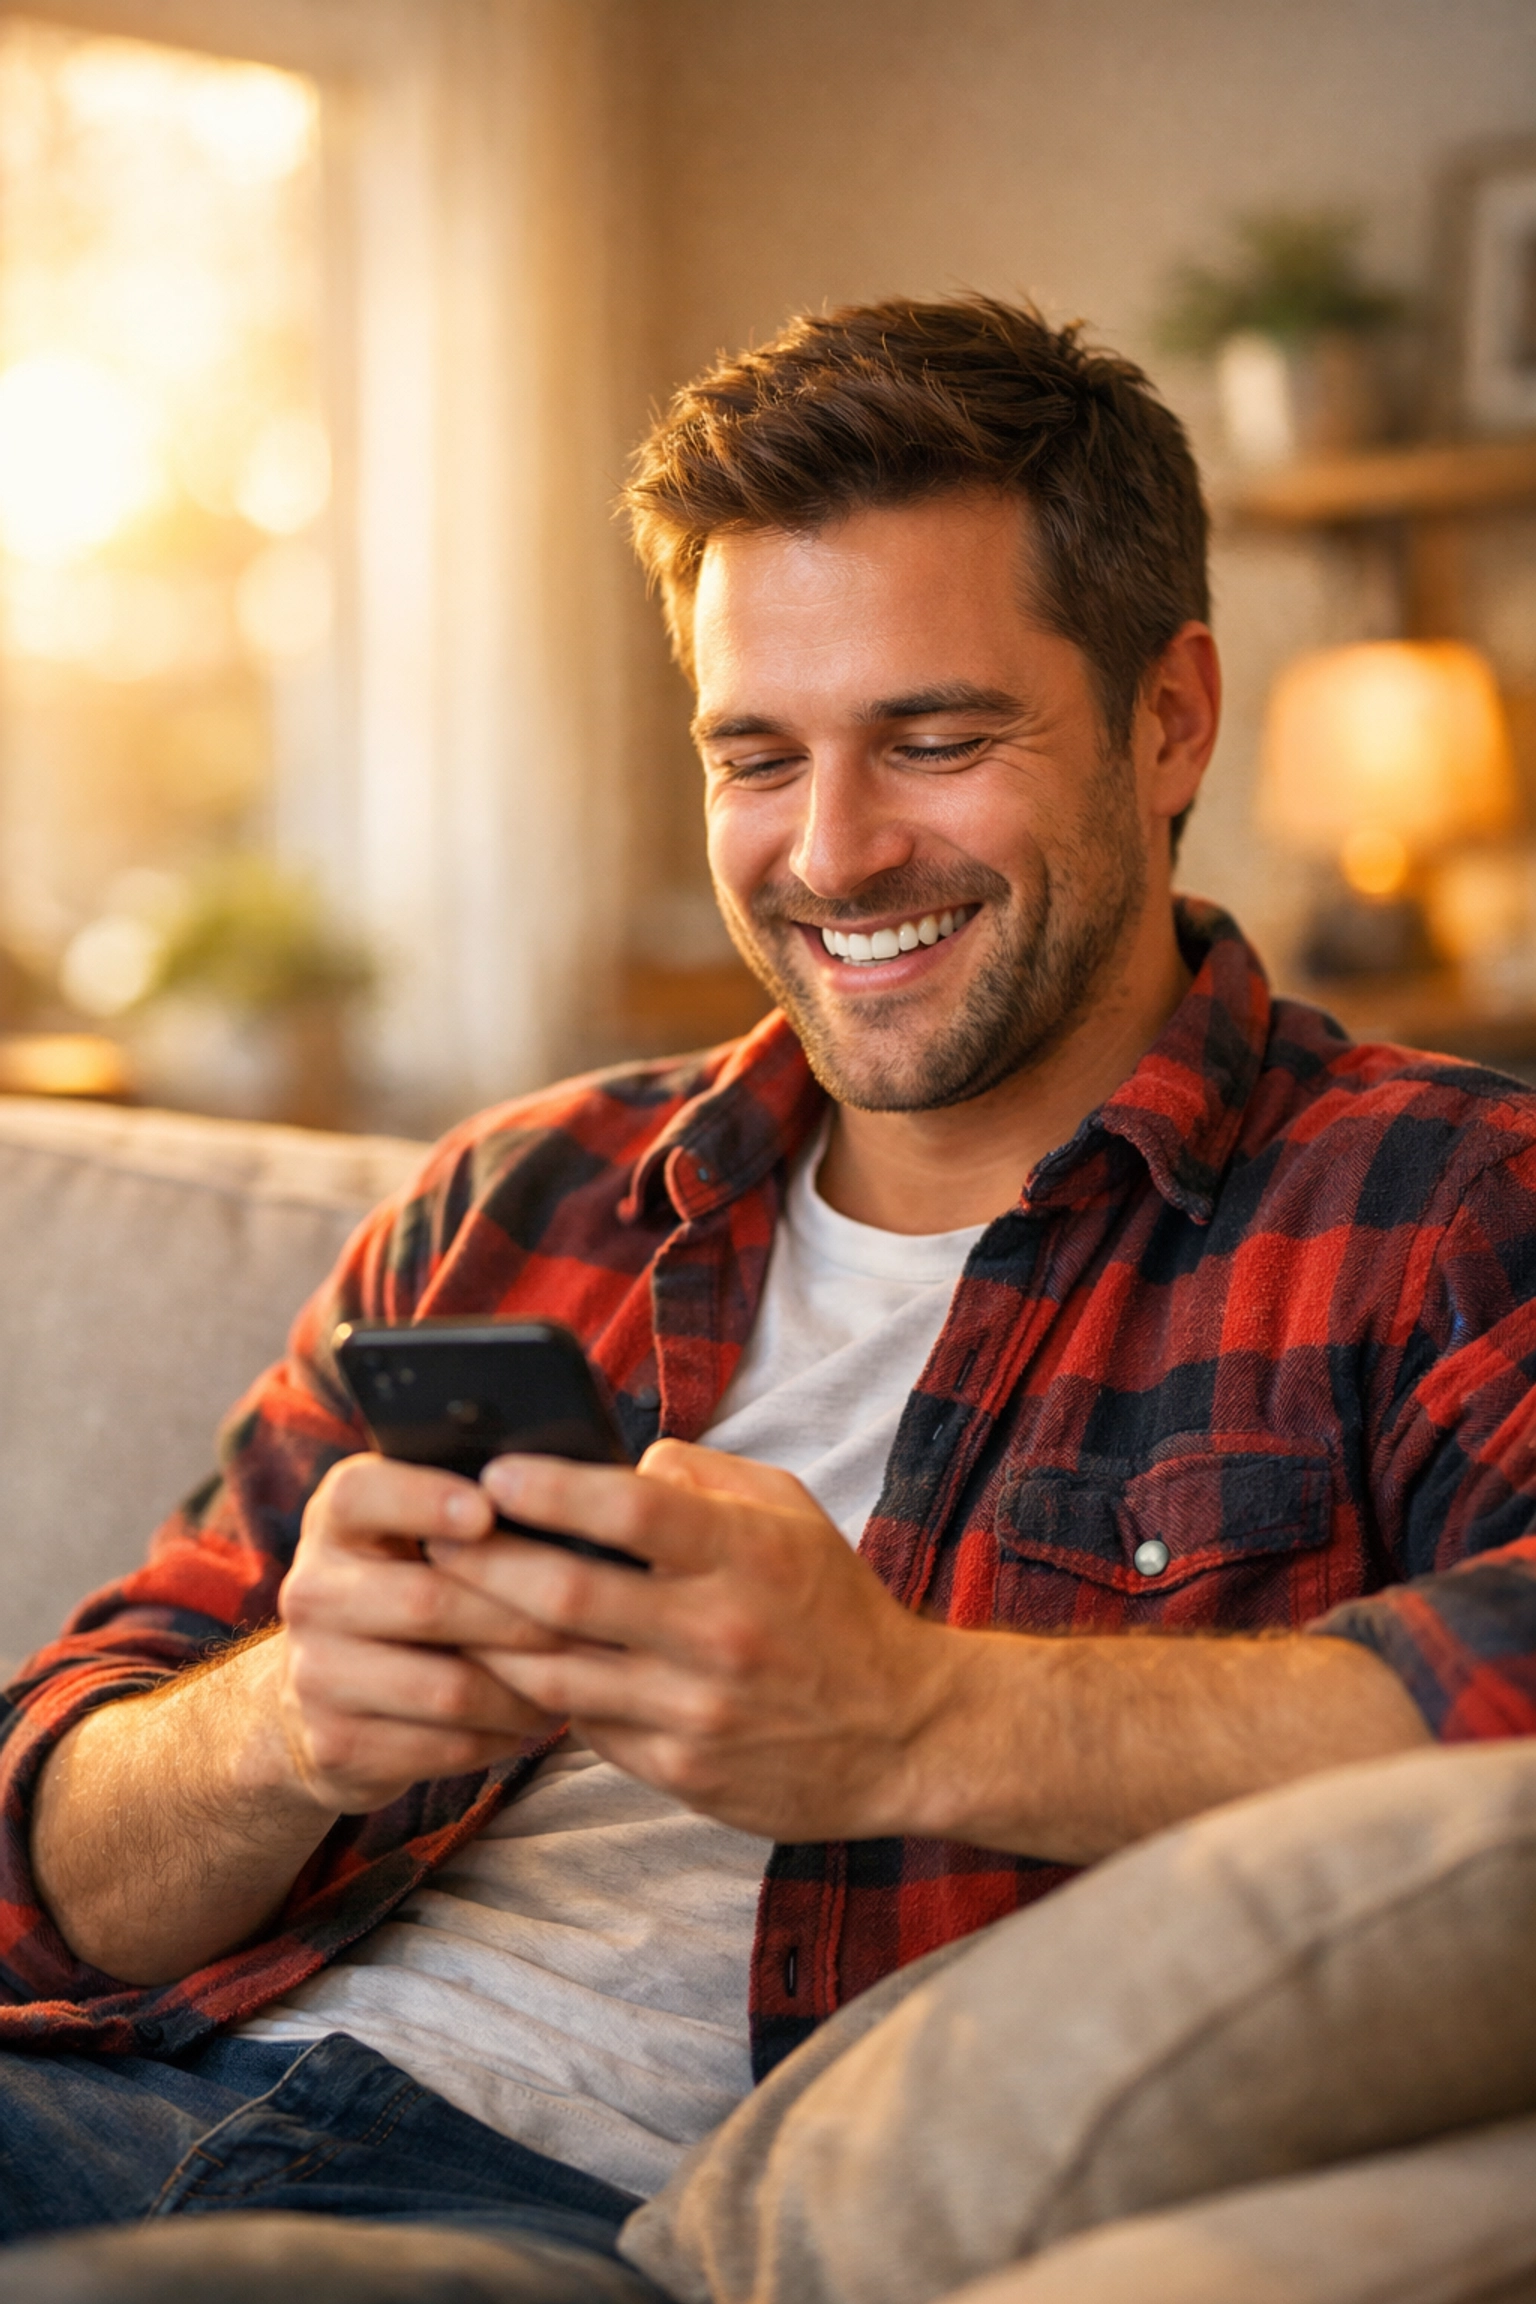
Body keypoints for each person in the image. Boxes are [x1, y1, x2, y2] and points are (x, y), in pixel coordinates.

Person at [1, 297, 1534, 2296]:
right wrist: (297, 1717)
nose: (832, 852)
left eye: (937, 735)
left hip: (538, 2226)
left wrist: (913, 1717)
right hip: (117, 2095)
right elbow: (42, 1869)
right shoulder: (521, 1192)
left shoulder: (1441, 1200)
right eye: (757, 754)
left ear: (1172, 718)